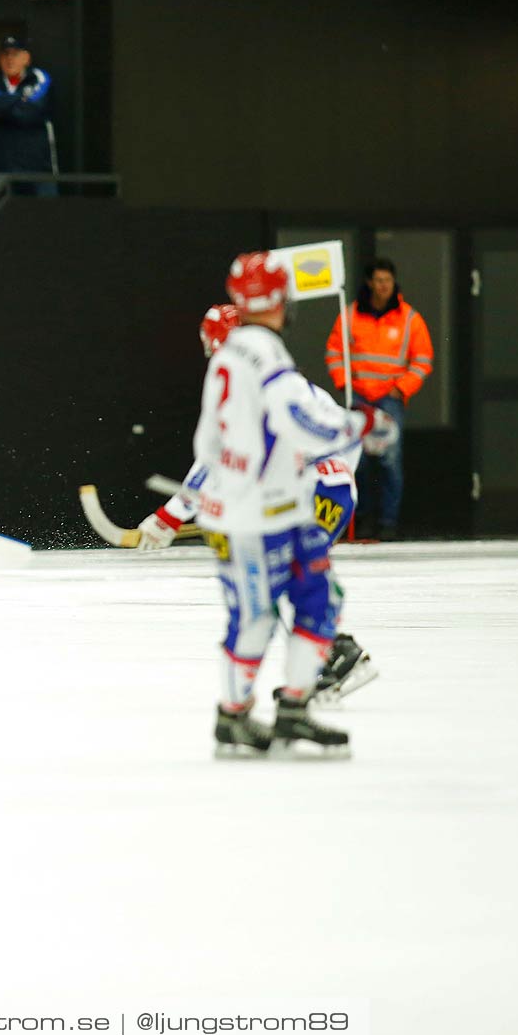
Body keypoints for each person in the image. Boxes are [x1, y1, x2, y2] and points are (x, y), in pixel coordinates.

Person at [191, 253, 396, 758]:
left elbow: (212, 445)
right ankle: (241, 716)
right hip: (259, 513)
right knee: (267, 614)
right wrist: (360, 427)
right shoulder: (267, 356)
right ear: (281, 300)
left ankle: (276, 710)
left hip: (267, 508)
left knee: (299, 602)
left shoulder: (229, 354)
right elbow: (301, 422)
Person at [134, 304, 379, 705]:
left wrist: (168, 517)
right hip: (328, 491)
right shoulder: (282, 377)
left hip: (309, 496)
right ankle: (330, 661)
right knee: (290, 582)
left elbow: (214, 463)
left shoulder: (250, 383)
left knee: (274, 583)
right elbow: (338, 442)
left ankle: (338, 659)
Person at [325, 258, 433, 541]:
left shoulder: (410, 319)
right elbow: (335, 352)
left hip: (390, 399)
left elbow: (423, 360)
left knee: (390, 462)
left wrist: (402, 388)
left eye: (388, 280)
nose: (384, 286)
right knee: (357, 461)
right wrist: (344, 383)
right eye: (379, 280)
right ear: (370, 283)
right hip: (359, 397)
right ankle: (363, 519)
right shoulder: (350, 315)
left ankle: (388, 523)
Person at [0, 35, 53, 185]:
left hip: (35, 165)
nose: (10, 59)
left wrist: (4, 107)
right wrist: (20, 99)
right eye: (5, 54)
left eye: (15, 54)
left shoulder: (40, 78)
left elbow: (31, 112)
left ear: (26, 58)